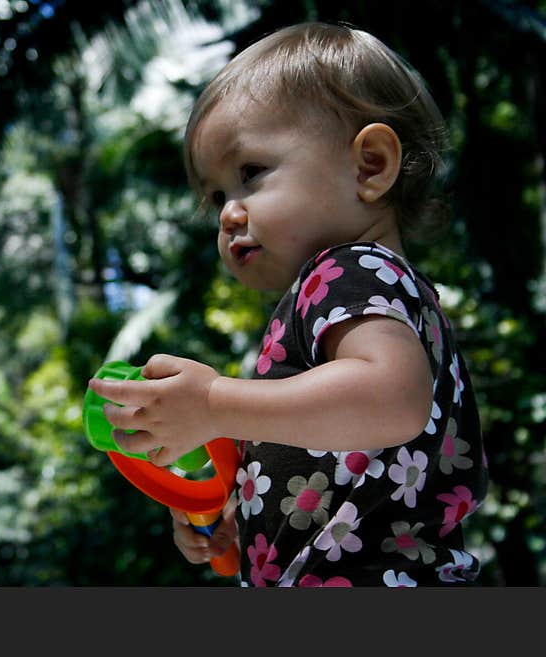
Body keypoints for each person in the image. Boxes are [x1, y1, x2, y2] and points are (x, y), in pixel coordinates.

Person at [86, 21, 489, 586]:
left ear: (369, 165)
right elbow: (338, 457)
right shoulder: (340, 298)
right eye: (218, 195)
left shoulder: (347, 271)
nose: (228, 212)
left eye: (251, 173)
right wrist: (241, 518)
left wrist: (216, 403)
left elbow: (391, 401)